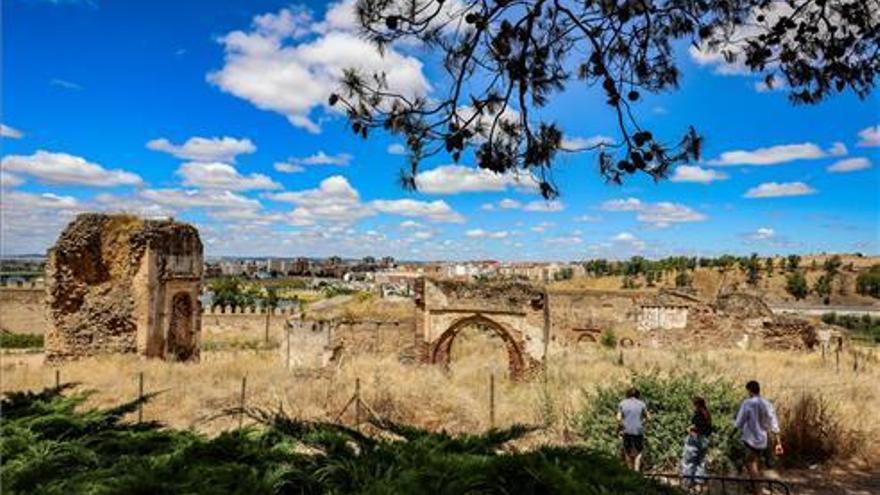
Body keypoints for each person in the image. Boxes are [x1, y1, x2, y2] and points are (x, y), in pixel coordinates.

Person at [734, 381, 783, 493]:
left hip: (750, 439)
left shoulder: (747, 403)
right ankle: (756, 486)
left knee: (750, 463)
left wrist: (732, 434)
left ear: (749, 390)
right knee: (757, 463)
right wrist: (778, 442)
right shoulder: (767, 403)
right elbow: (774, 424)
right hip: (763, 439)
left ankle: (757, 489)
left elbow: (739, 422)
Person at [680, 397, 713, 492]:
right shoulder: (707, 413)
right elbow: (707, 427)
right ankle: (698, 486)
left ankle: (685, 487)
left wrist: (690, 429)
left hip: (695, 439)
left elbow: (697, 426)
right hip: (705, 440)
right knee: (700, 463)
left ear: (697, 405)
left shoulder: (698, 414)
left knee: (688, 463)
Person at [617, 387, 649, 472]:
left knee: (627, 452)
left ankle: (629, 471)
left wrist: (620, 428)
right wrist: (642, 423)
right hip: (638, 431)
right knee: (639, 452)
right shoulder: (642, 404)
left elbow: (618, 418)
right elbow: (648, 417)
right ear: (638, 395)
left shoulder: (622, 403)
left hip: (627, 430)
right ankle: (636, 470)